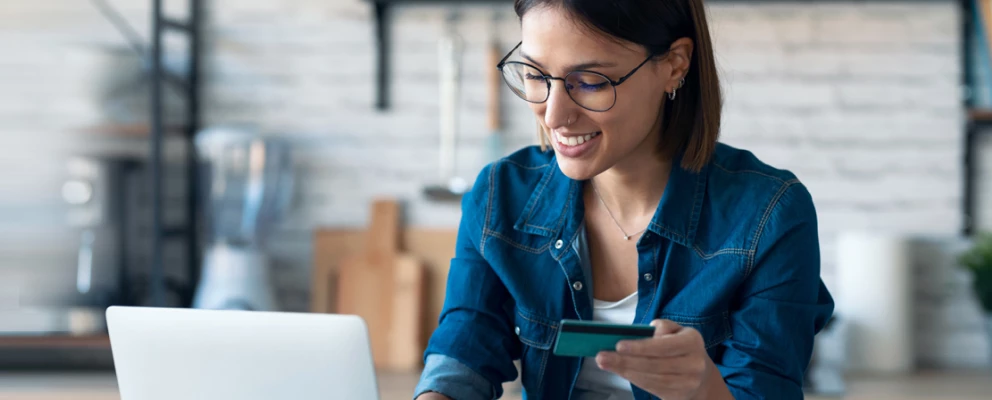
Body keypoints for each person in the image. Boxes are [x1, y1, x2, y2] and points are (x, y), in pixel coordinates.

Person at [413, 0, 834, 399]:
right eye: (536, 75)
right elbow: (464, 352)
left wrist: (704, 388)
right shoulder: (498, 196)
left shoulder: (770, 216)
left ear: (674, 65)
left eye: (592, 82)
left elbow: (766, 385)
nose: (554, 115)